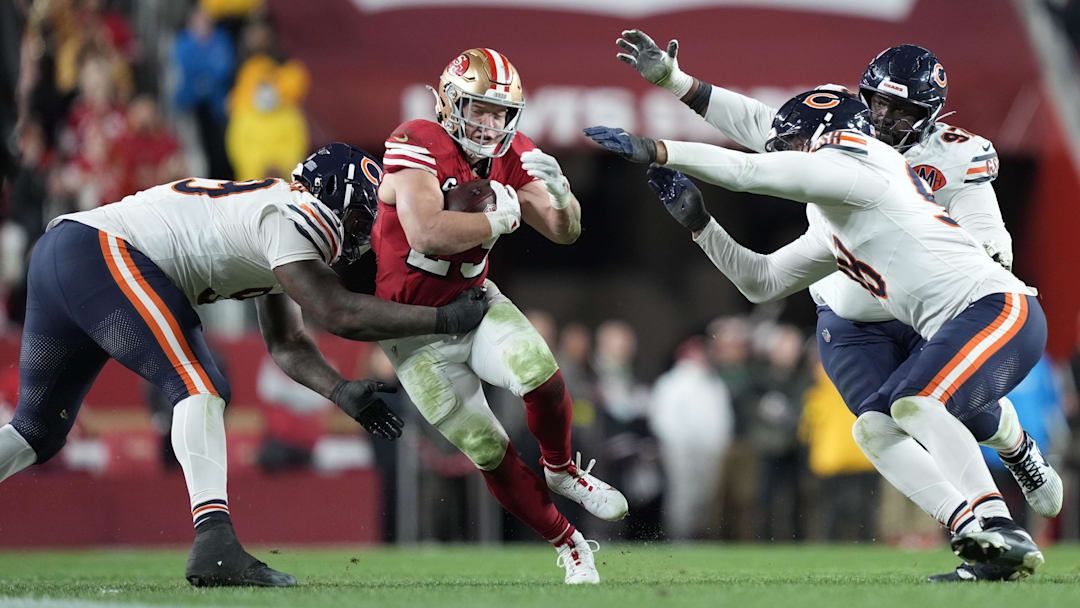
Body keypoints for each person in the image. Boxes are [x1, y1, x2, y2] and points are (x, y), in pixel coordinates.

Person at [610, 32, 1061, 572]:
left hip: (969, 305)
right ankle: (975, 530)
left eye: (902, 108)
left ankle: (1001, 507)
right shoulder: (832, 210)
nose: (887, 116)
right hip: (861, 311)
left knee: (931, 402)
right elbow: (762, 268)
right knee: (879, 424)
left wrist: (657, 147)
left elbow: (756, 169)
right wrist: (701, 223)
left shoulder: (873, 164)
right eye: (879, 102)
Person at [0, 143, 488, 588]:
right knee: (200, 385)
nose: (366, 237)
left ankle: (215, 543)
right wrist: (443, 318)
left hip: (66, 253)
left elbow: (288, 343)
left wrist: (340, 392)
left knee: (35, 433)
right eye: (362, 221)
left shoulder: (276, 219)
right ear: (332, 199)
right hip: (99, 251)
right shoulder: (290, 212)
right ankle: (215, 543)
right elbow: (338, 311)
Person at [371, 48, 627, 584]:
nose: (489, 124)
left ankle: (561, 470)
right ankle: (570, 542)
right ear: (446, 102)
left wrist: (563, 195)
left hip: (473, 301)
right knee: (487, 447)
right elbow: (425, 233)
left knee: (541, 372)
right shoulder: (416, 140)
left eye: (498, 112)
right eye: (478, 109)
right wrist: (495, 222)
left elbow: (564, 231)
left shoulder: (511, 153)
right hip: (413, 329)